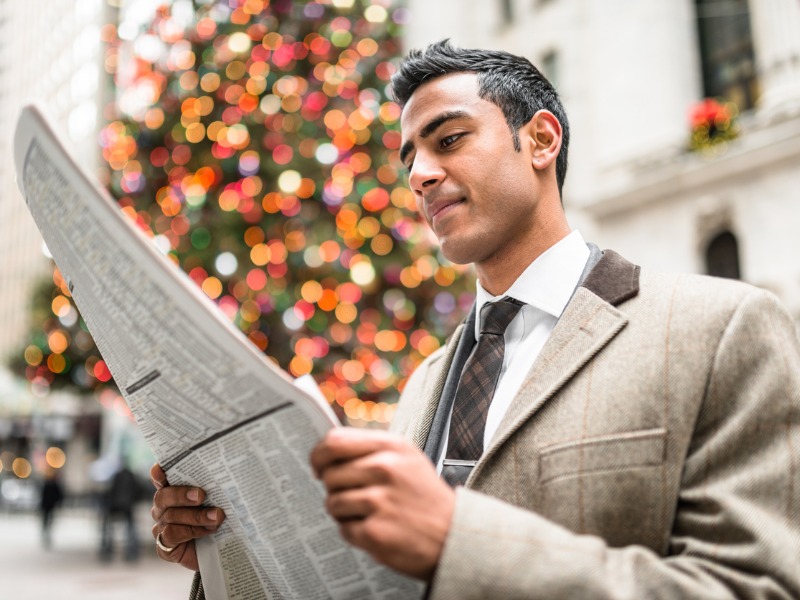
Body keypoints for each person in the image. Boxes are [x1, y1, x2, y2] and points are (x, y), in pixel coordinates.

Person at [150, 40, 800, 598]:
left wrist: (459, 540)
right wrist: (229, 549)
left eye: (450, 139)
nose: (422, 175)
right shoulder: (424, 384)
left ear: (541, 139)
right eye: (409, 159)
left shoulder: (722, 328)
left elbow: (754, 587)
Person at [99, 463, 141, 562]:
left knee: (109, 528)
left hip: (115, 505)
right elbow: (138, 490)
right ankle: (132, 551)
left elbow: (111, 490)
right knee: (130, 529)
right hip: (128, 505)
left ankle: (107, 550)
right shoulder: (132, 477)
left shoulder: (116, 476)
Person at [39, 467, 64, 549]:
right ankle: (45, 533)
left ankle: (47, 533)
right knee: (46, 520)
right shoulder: (47, 484)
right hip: (47, 505)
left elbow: (59, 495)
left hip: (49, 505)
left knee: (48, 520)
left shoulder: (52, 484)